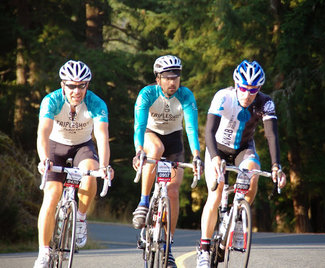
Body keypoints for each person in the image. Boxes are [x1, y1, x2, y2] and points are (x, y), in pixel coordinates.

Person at [196, 60, 287, 268]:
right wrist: (216, 157)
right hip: (217, 149)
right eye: (244, 88)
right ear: (236, 84)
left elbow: (272, 136)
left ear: (259, 89)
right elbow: (209, 131)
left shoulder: (265, 103)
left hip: (243, 149)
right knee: (217, 192)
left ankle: (237, 217)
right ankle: (203, 248)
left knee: (253, 172)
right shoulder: (223, 97)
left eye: (253, 89)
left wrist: (276, 166)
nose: (247, 94)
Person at [34, 60, 114, 268]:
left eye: (82, 85)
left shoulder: (96, 103)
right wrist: (44, 159)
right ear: (63, 85)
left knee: (91, 173)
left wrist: (104, 165)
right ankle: (43, 252)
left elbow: (102, 137)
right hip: (55, 146)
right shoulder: (51, 100)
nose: (76, 91)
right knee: (52, 194)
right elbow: (43, 133)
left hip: (82, 146)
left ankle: (80, 219)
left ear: (87, 85)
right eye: (71, 86)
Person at [132, 55, 202, 268]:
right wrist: (139, 151)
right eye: (167, 77)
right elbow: (139, 125)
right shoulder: (147, 94)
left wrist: (197, 155)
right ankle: (144, 202)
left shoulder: (186, 95)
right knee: (156, 148)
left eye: (176, 77)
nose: (173, 82)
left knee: (172, 191)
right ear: (158, 78)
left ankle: (168, 247)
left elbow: (190, 128)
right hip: (150, 135)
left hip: (175, 140)